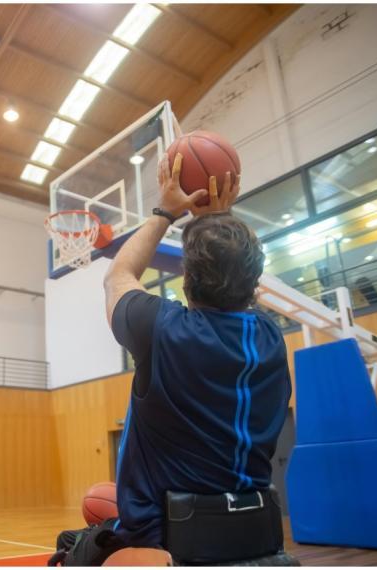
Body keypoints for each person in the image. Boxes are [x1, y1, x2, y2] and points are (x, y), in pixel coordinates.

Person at [51, 154, 291, 565]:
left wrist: (167, 210)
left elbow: (118, 276)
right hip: (256, 532)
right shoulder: (270, 336)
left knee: (72, 548)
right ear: (253, 282)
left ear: (187, 279)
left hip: (165, 535)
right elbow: (231, 273)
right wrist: (219, 218)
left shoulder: (163, 329)